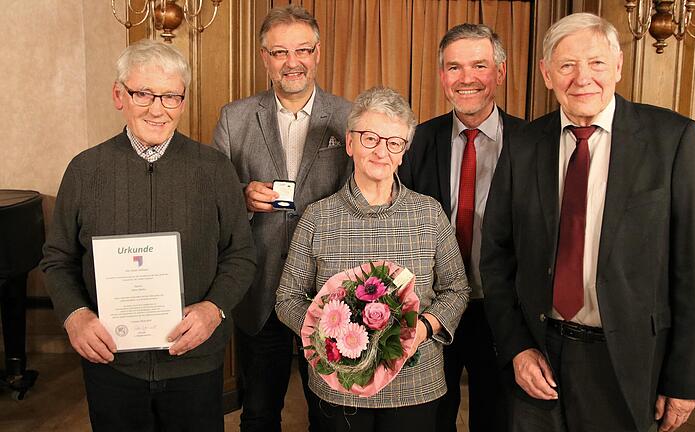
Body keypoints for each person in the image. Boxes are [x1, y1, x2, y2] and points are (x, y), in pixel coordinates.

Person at [481, 12, 695, 432]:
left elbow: (691, 269)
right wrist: (516, 348)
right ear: (547, 74)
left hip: (627, 359)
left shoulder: (672, 139)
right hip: (540, 356)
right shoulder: (523, 145)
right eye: (567, 65)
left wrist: (685, 377)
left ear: (618, 67)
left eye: (597, 63)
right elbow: (496, 258)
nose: (582, 77)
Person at [40, 39, 256, 431]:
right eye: (144, 93)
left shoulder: (214, 169)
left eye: (171, 96)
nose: (158, 109)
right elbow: (57, 259)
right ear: (118, 95)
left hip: (194, 361)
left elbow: (241, 254)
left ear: (183, 101)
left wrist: (214, 309)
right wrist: (74, 316)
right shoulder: (85, 171)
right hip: (113, 365)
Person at [275, 87, 470, 432]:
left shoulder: (428, 213)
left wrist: (421, 329)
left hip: (416, 386)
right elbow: (286, 298)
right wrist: (327, 335)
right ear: (350, 144)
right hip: (339, 388)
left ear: (403, 152)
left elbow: (456, 288)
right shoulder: (318, 217)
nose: (381, 151)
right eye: (370, 139)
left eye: (394, 143)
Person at [213, 5, 352, 431]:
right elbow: (212, 200)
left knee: (329, 414)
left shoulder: (351, 117)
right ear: (264, 58)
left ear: (317, 52)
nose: (292, 62)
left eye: (302, 50)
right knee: (258, 413)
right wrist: (240, 196)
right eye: (279, 53)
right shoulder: (234, 119)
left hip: (330, 289)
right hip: (260, 288)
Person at [398, 23, 526, 431]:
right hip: (432, 311)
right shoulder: (418, 140)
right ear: (442, 77)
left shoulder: (532, 142)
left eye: (479, 65)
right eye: (454, 67)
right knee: (432, 419)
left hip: (504, 309)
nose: (466, 78)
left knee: (497, 418)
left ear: (500, 73)